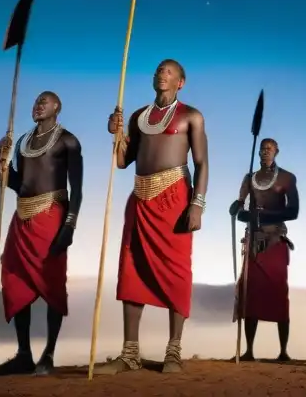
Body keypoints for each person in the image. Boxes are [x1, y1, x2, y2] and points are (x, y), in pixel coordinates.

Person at [94, 59, 210, 375]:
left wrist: (197, 204)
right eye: (159, 70)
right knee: (131, 269)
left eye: (169, 71)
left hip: (175, 197)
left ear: (181, 82)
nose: (163, 74)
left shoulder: (191, 116)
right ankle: (129, 353)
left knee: (176, 270)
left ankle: (173, 351)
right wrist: (116, 135)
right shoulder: (137, 117)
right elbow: (122, 162)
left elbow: (202, 164)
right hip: (140, 198)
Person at [0, 91, 83, 376]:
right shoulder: (22, 143)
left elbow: (77, 189)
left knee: (51, 282)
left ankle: (49, 354)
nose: (38, 105)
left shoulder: (68, 140)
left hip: (52, 214)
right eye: (35, 102)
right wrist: (1, 162)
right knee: (14, 277)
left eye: (45, 101)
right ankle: (24, 354)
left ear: (57, 108)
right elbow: (18, 183)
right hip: (22, 215)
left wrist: (69, 225)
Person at [229, 138, 300, 361]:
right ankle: (249, 351)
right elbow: (240, 209)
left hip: (275, 240)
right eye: (262, 149)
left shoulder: (287, 178)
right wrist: (237, 209)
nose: (265, 152)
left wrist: (263, 216)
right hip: (253, 242)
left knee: (279, 294)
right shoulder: (249, 179)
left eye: (269, 149)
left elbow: (293, 211)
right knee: (251, 294)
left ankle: (283, 352)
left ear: (276, 152)